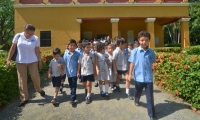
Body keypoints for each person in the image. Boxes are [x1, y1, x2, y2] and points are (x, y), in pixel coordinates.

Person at [6, 24, 45, 107]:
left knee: (35, 77)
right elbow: (12, 48)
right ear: (24, 31)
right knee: (22, 80)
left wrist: (40, 60)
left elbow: (37, 50)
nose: (31, 35)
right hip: (20, 61)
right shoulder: (18, 36)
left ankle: (39, 90)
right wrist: (8, 59)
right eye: (29, 33)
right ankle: (24, 98)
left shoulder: (35, 38)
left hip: (33, 61)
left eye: (32, 33)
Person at [128, 30, 156, 120]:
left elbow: (152, 63)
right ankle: (136, 99)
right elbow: (132, 63)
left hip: (148, 78)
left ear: (149, 41)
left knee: (149, 96)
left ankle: (151, 114)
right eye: (142, 40)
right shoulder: (135, 52)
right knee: (137, 92)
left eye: (146, 40)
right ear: (139, 41)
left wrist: (155, 72)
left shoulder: (151, 52)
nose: (144, 42)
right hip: (138, 77)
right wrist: (129, 75)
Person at [63, 39, 80, 104]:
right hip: (68, 72)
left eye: (73, 45)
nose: (72, 47)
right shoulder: (66, 53)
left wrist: (79, 72)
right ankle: (73, 93)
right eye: (71, 45)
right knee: (71, 84)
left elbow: (79, 63)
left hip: (75, 72)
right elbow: (64, 62)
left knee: (73, 84)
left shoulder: (77, 54)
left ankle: (72, 98)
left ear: (76, 46)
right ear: (68, 46)